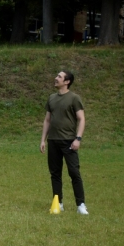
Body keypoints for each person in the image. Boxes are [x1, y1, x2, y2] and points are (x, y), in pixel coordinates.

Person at [40, 70, 88, 215]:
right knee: (55, 173)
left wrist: (78, 139)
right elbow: (47, 120)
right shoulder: (51, 98)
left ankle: (80, 205)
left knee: (74, 172)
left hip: (69, 141)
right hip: (53, 141)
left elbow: (81, 119)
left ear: (67, 82)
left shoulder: (74, 98)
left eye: (59, 77)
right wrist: (43, 140)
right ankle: (58, 203)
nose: (56, 78)